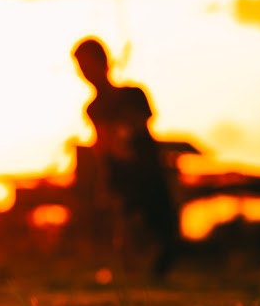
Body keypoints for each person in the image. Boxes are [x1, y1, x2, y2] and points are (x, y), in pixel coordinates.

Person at [72, 37, 183, 277]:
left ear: (104, 62)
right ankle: (131, 273)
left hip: (147, 170)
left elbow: (141, 126)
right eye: (81, 67)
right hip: (120, 173)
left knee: (163, 226)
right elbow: (103, 145)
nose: (86, 72)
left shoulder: (134, 94)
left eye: (88, 64)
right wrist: (103, 178)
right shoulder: (93, 108)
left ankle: (155, 272)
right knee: (125, 224)